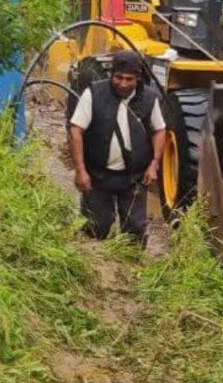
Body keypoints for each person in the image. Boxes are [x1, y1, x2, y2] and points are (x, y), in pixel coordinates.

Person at [69, 51, 166, 243]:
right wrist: (80, 170)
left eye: (129, 79)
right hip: (98, 175)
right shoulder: (94, 94)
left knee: (135, 230)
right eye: (118, 77)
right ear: (111, 75)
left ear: (138, 79)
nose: (123, 83)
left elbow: (160, 130)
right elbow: (75, 130)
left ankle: (131, 268)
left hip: (134, 178)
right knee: (96, 227)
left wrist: (154, 163)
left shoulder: (149, 98)